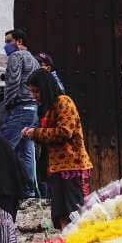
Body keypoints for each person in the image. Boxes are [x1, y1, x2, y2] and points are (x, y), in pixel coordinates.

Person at [22, 68, 93, 228]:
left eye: (37, 91)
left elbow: (65, 131)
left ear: (45, 88)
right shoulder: (48, 109)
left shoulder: (64, 102)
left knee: (76, 213)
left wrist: (36, 133)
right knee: (60, 213)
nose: (34, 96)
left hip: (72, 167)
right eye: (32, 92)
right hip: (55, 169)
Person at [0, 29, 40, 197]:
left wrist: (7, 103)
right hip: (32, 109)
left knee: (4, 147)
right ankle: (29, 190)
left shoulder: (16, 57)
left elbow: (13, 82)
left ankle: (0, 187)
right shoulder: (34, 60)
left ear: (19, 41)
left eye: (9, 41)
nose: (6, 45)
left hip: (20, 108)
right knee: (26, 150)